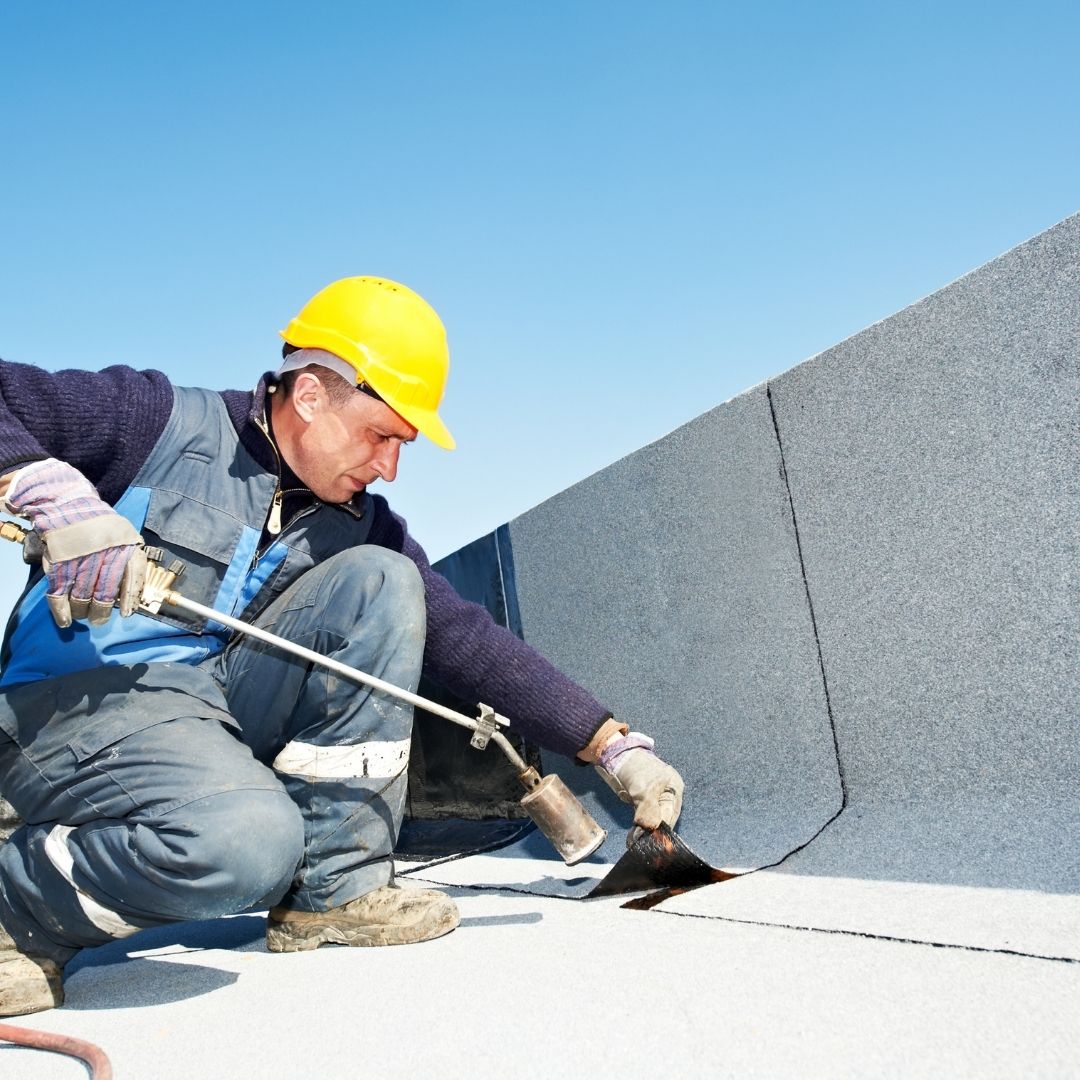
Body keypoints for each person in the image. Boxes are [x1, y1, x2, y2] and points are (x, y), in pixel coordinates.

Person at [0, 277, 684, 1017]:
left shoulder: (358, 521)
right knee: (245, 846)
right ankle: (13, 907)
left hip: (203, 711)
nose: (389, 466)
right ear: (312, 395)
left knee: (386, 582)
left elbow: (467, 642)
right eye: (382, 434)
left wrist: (608, 744)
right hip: (72, 707)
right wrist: (48, 488)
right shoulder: (156, 421)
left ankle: (333, 891)